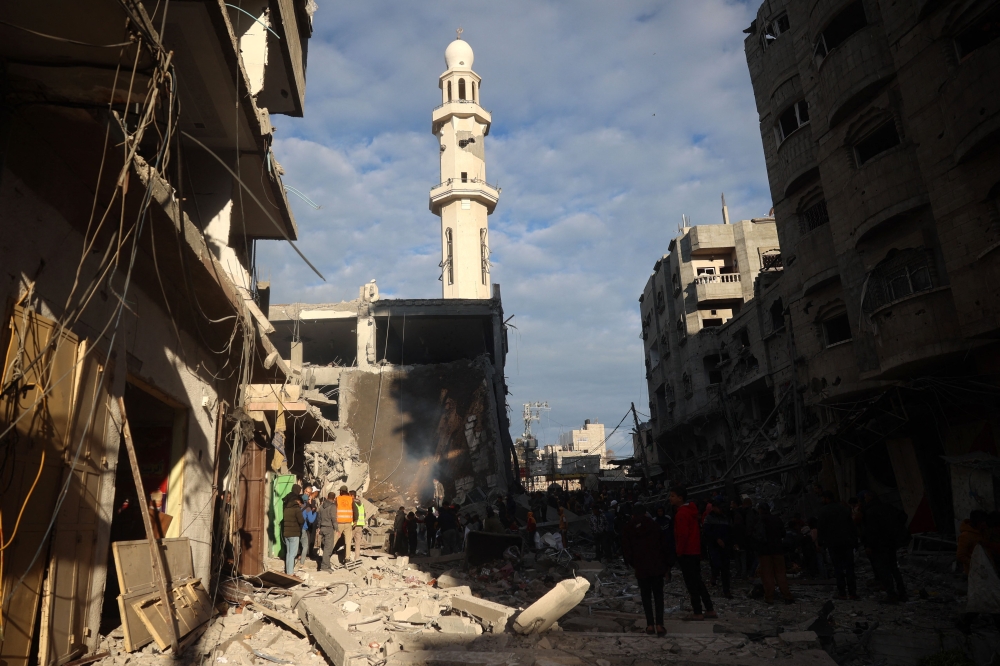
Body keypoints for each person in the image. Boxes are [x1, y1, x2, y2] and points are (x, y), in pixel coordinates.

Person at [622, 503, 668, 636]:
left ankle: (649, 625)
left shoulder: (628, 527)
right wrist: (667, 565)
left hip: (641, 567)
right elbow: (663, 544)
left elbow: (626, 549)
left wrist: (633, 563)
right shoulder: (654, 525)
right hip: (656, 565)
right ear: (645, 513)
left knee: (645, 596)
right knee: (658, 595)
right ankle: (659, 624)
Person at [670, 486, 715, 620]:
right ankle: (709, 609)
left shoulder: (681, 514)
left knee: (691, 583)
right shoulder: (691, 511)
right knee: (698, 581)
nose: (670, 498)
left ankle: (697, 612)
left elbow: (682, 535)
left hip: (687, 552)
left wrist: (679, 552)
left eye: (672, 495)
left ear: (680, 498)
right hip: (694, 551)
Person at [862, 492, 908, 603]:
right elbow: (903, 516)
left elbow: (871, 532)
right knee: (893, 568)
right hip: (891, 542)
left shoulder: (870, 512)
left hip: (879, 545)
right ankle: (902, 592)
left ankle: (891, 593)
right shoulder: (888, 508)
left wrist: (869, 545)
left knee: (884, 569)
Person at [818, 491, 858, 599]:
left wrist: (820, 542)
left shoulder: (823, 511)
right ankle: (852, 592)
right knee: (850, 567)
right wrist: (854, 540)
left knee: (838, 567)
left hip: (833, 542)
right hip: (847, 541)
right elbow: (851, 526)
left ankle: (842, 592)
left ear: (826, 498)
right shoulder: (844, 509)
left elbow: (821, 528)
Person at [754, 503, 794, 605]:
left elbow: (756, 536)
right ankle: (787, 596)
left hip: (765, 551)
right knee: (780, 574)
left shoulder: (759, 520)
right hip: (778, 549)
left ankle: (769, 597)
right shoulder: (776, 519)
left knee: (767, 575)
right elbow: (783, 534)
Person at [703, 501, 732, 599]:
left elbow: (729, 532)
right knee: (716, 564)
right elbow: (706, 532)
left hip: (724, 546)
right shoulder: (709, 518)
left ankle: (726, 590)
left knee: (725, 569)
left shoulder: (725, 518)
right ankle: (714, 578)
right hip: (714, 546)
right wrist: (716, 539)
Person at [333, 485, 358, 563]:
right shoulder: (351, 499)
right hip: (348, 523)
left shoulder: (337, 499)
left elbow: (333, 510)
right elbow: (355, 510)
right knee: (348, 541)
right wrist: (355, 520)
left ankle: (328, 555)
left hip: (339, 523)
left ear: (341, 491)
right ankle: (347, 558)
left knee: (334, 540)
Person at [282, 495, 304, 575]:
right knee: (293, 554)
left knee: (288, 553)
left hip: (286, 533)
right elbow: (301, 521)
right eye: (300, 503)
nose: (300, 505)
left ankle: (287, 570)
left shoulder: (286, 509)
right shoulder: (296, 509)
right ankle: (290, 573)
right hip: (294, 533)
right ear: (298, 501)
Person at [654, 505, 676, 581]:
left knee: (670, 560)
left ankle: (668, 572)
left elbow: (672, 529)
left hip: (669, 543)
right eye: (658, 511)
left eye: (661, 511)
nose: (660, 513)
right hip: (660, 544)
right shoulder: (655, 521)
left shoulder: (667, 519)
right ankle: (666, 575)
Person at [318, 492, 339, 571]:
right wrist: (337, 529)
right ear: (334, 498)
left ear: (327, 497)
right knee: (328, 548)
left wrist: (319, 527)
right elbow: (334, 519)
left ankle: (327, 564)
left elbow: (319, 518)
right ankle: (324, 566)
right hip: (329, 528)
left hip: (322, 528)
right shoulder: (333, 506)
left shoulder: (321, 506)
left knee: (325, 547)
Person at [351, 490, 366, 561]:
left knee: (348, 541)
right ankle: (357, 558)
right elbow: (364, 514)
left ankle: (346, 557)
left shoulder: (353, 503)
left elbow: (354, 513)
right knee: (357, 543)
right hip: (360, 525)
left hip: (353, 525)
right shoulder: (361, 504)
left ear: (352, 496)